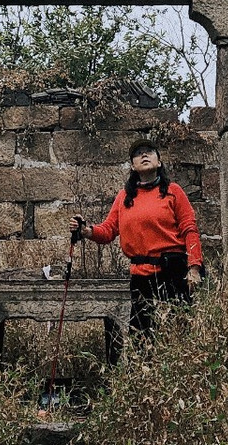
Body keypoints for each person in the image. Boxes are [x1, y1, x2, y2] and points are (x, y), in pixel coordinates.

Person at [69, 139, 204, 335]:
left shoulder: (174, 191)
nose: (144, 155)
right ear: (133, 166)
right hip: (141, 276)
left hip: (173, 271)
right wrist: (86, 231)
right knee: (141, 337)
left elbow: (189, 230)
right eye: (138, 153)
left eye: (149, 151)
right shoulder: (125, 197)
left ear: (159, 162)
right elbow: (108, 230)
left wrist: (194, 268)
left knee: (178, 332)